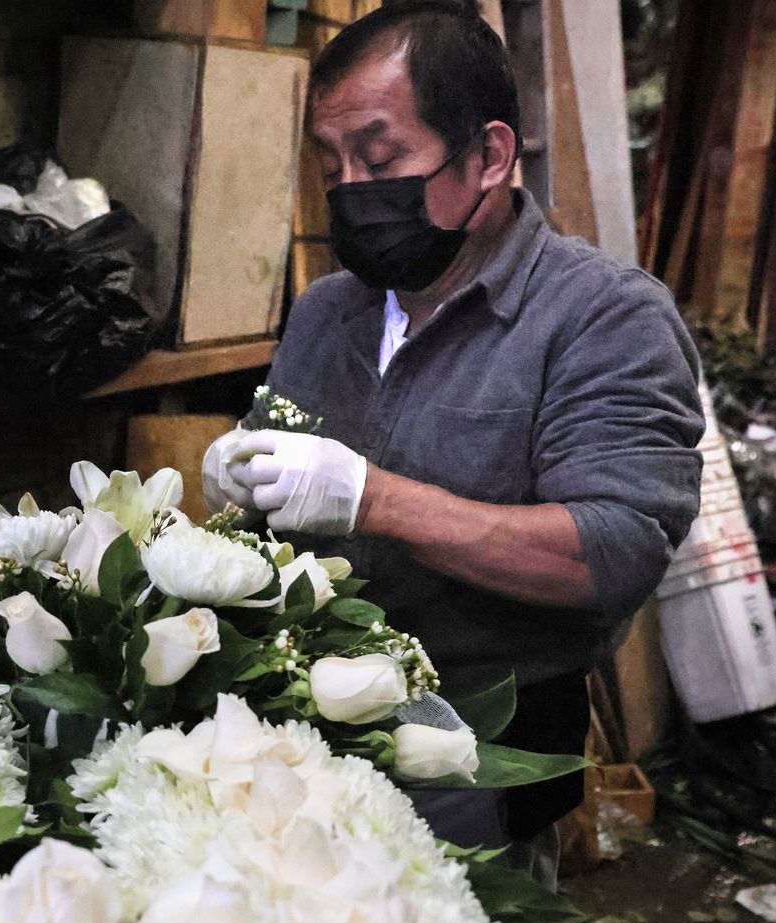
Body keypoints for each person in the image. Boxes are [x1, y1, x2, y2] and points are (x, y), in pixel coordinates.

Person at [206, 0, 703, 856]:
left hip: (478, 754)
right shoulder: (329, 312)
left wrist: (375, 500)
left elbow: (617, 549)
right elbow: (282, 516)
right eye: (332, 162)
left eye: (382, 155)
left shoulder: (602, 319)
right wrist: (242, 482)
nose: (352, 191)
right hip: (302, 737)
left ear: (490, 155)